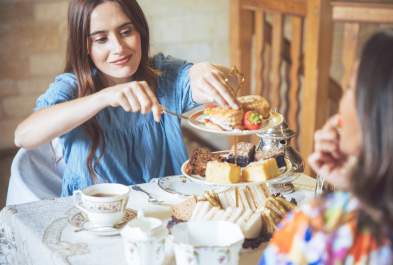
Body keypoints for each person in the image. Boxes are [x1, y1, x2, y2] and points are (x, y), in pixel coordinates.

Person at [259, 28, 393, 265]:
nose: (342, 98)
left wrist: (348, 199)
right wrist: (360, 185)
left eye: (350, 88)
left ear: (382, 119)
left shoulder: (324, 230)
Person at [14, 0, 241, 196]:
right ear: (85, 47)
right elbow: (23, 136)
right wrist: (102, 98)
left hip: (164, 215)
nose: (119, 48)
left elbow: (226, 84)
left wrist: (203, 71)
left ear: (140, 31)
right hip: (95, 222)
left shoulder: (165, 75)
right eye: (101, 39)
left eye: (126, 32)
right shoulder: (73, 86)